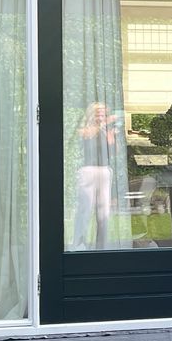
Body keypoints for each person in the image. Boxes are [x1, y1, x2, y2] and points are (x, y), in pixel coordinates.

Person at [72, 101, 120, 249]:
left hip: (104, 170)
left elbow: (114, 151)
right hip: (88, 171)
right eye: (98, 113)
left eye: (104, 113)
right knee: (85, 209)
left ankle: (101, 246)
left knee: (103, 212)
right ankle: (79, 244)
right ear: (92, 114)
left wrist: (111, 135)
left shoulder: (107, 129)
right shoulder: (86, 128)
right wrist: (103, 124)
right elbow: (85, 135)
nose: (101, 116)